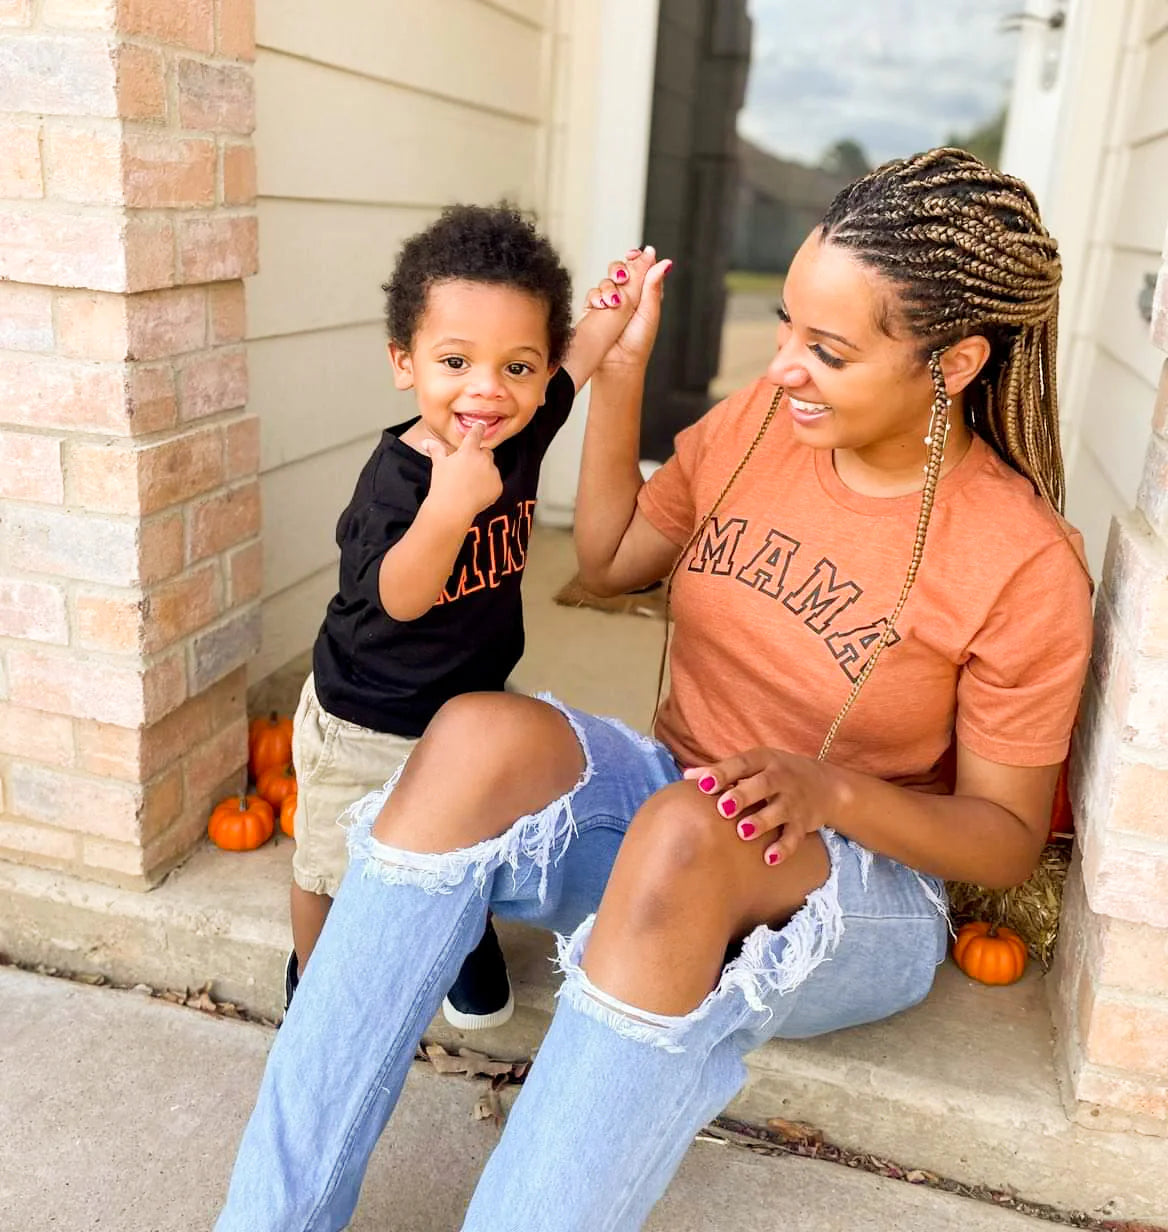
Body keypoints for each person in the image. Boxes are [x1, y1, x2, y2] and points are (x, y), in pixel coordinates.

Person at [219, 149, 1094, 1231]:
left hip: (859, 876)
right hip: (670, 812)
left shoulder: (1021, 560)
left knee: (688, 826)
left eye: (825, 349)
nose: (782, 369)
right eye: (783, 328)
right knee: (471, 733)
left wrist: (833, 792)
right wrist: (621, 370)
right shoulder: (758, 429)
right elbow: (611, 555)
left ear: (953, 362)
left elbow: (1005, 840)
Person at [286, 203, 637, 1028]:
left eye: (518, 367)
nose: (487, 388)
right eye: (455, 360)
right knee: (329, 863)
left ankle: (463, 938)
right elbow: (403, 597)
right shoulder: (397, 484)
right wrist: (449, 508)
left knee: (471, 834)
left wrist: (614, 305)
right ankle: (314, 977)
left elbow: (580, 356)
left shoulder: (520, 421)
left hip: (469, 708)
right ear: (404, 363)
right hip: (368, 718)